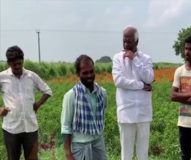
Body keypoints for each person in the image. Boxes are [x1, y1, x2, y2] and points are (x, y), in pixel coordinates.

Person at [0, 46, 52, 160]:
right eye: (14, 64)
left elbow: (47, 91)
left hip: (30, 128)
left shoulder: (31, 76)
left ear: (23, 60)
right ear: (9, 63)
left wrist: (38, 104)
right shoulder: (2, 77)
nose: (18, 66)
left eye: (20, 63)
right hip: (11, 128)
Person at [112, 26, 154, 160]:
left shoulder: (146, 58)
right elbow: (119, 81)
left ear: (136, 42)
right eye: (124, 41)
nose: (125, 44)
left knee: (143, 154)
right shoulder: (117, 58)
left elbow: (149, 78)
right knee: (126, 155)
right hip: (126, 113)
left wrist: (135, 59)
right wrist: (141, 85)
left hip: (143, 113)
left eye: (129, 41)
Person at [61, 55, 108, 160]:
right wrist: (68, 154)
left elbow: (101, 114)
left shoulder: (102, 93)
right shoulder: (71, 96)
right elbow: (66, 127)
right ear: (78, 74)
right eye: (85, 73)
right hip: (80, 146)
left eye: (91, 71)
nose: (89, 75)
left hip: (98, 143)